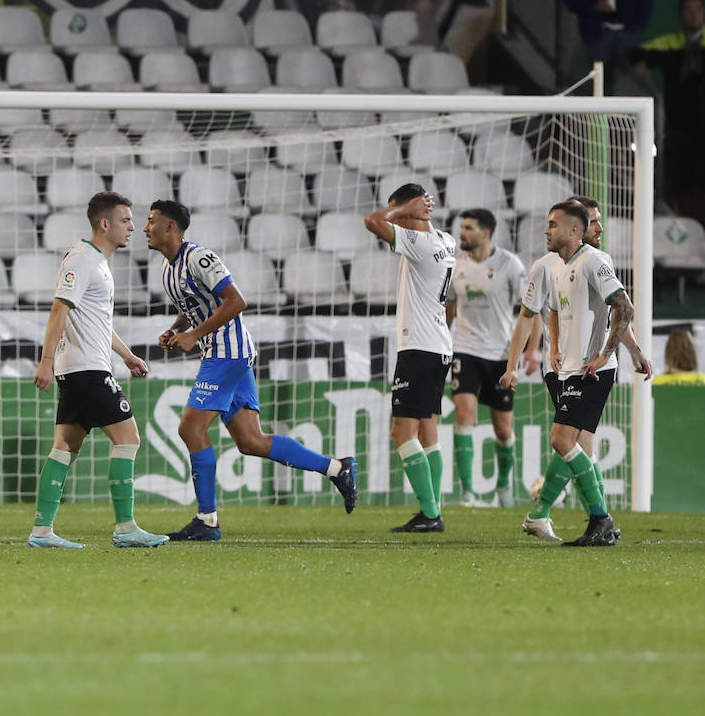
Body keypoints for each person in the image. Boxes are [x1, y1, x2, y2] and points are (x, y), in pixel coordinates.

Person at [144, 200, 357, 541]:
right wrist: (176, 329)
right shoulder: (169, 268)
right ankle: (338, 468)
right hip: (223, 354)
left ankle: (208, 520)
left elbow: (236, 300)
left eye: (151, 221)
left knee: (190, 428)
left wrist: (194, 335)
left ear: (170, 226)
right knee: (250, 441)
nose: (145, 227)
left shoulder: (199, 257)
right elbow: (194, 305)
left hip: (227, 354)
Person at [499, 200, 650, 547]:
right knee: (577, 445)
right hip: (563, 369)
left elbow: (623, 308)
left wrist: (613, 354)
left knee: (562, 440)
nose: (546, 229)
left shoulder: (596, 262)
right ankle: (550, 517)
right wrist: (514, 365)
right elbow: (535, 312)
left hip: (591, 372)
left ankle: (596, 517)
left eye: (552, 224)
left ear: (572, 230)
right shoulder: (545, 266)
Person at [27, 192, 164, 549]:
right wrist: (44, 361)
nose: (133, 226)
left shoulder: (97, 261)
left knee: (65, 448)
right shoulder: (83, 258)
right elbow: (60, 310)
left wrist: (128, 355)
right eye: (126, 220)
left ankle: (42, 532)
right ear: (105, 224)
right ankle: (126, 527)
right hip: (86, 368)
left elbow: (96, 320)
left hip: (80, 367)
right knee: (128, 437)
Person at [363, 183, 456, 533]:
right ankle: (432, 508)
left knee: (402, 432)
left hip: (418, 346)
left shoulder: (419, 243)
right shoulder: (446, 240)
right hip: (439, 345)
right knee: (428, 430)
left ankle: (430, 513)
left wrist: (402, 210)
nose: (395, 222)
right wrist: (412, 211)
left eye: (399, 213)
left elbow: (372, 221)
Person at [444, 208, 527, 507]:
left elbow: (529, 311)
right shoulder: (456, 266)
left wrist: (530, 352)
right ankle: (467, 492)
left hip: (501, 354)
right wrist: (444, 342)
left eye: (468, 228)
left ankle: (504, 486)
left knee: (503, 428)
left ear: (486, 233)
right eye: (461, 227)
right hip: (465, 349)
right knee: (464, 413)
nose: (462, 233)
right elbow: (450, 308)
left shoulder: (510, 265)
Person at [628, 0, 705, 224]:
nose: (693, 14)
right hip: (677, 123)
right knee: (678, 177)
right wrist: (640, 64)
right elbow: (635, 55)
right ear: (681, 15)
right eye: (688, 10)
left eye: (698, 9)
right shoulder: (670, 43)